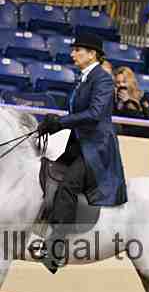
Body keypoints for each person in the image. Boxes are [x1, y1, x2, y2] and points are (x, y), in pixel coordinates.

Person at [34, 33, 128, 273]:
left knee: (68, 185)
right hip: (79, 144)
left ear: (92, 54)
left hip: (97, 149)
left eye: (78, 50)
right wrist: (52, 125)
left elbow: (95, 114)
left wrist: (61, 122)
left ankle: (55, 249)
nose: (72, 54)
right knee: (45, 171)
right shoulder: (85, 79)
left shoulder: (102, 79)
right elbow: (78, 114)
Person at [112, 66, 149, 138]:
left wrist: (128, 101)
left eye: (124, 82)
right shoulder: (112, 96)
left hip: (136, 128)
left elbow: (148, 118)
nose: (121, 85)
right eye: (118, 83)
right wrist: (119, 103)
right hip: (120, 127)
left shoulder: (141, 95)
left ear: (131, 82)